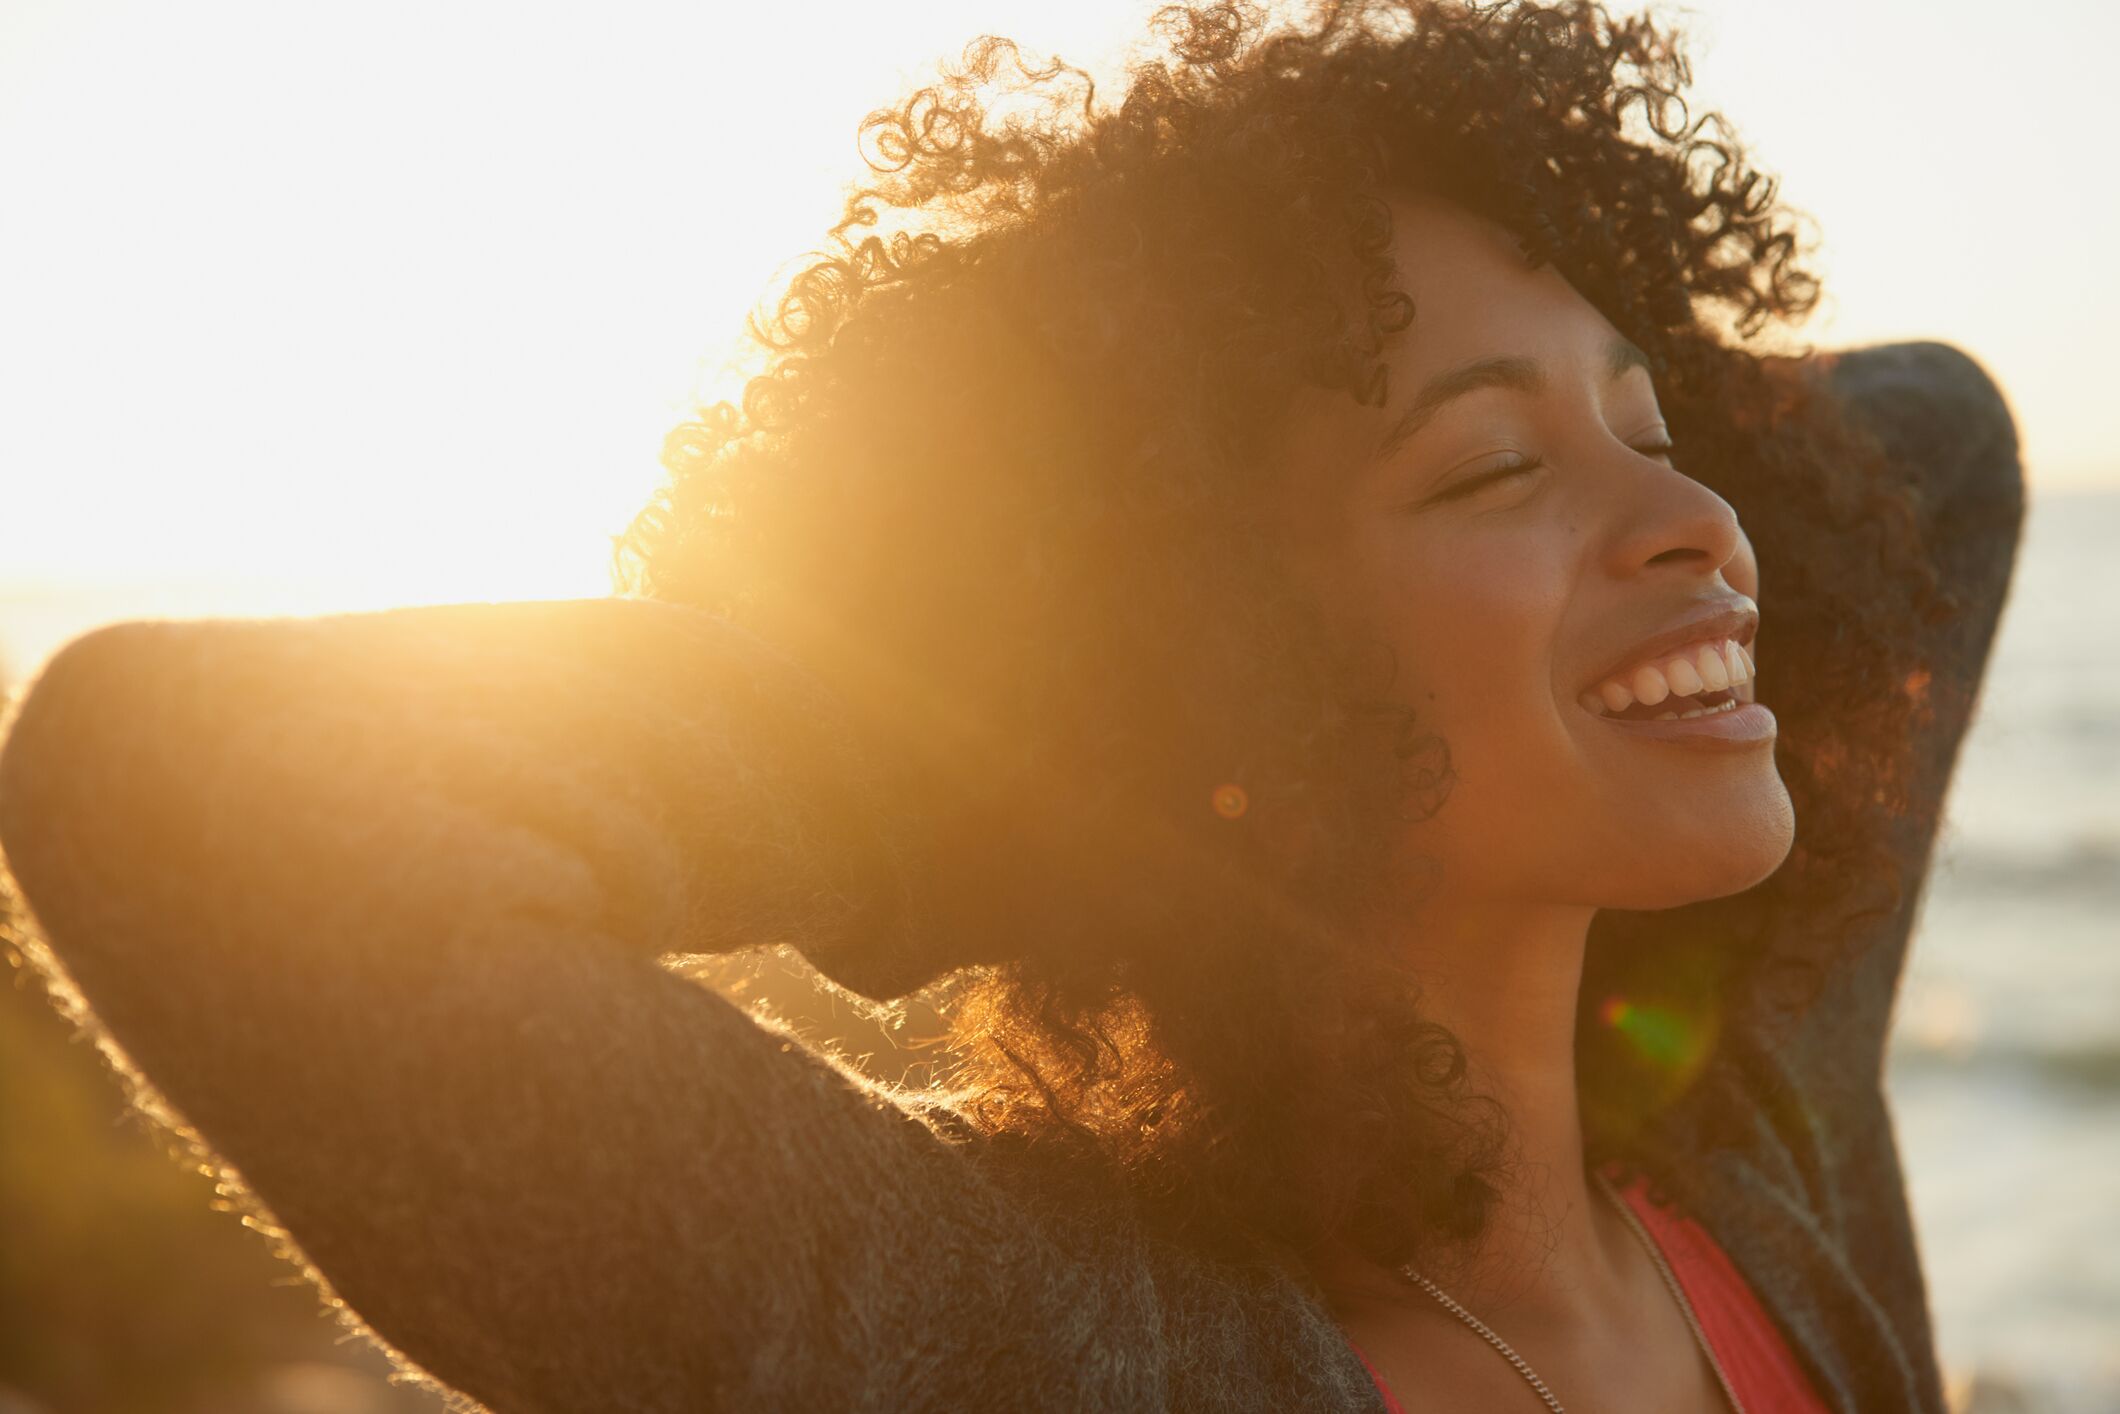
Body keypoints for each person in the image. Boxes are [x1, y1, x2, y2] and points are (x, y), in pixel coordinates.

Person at [0, 1, 2024, 1409]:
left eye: (1654, 422)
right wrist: (1064, 744)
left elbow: (1931, 447)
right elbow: (167, 793)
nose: (1690, 517)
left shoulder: (1754, 1144)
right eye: (1492, 467)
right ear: (1227, 649)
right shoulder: (995, 1333)